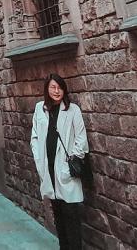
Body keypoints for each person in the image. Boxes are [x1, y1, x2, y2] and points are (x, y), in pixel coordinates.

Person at [30, 74, 88, 250]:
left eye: (60, 87)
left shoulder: (73, 110)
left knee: (71, 216)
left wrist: (70, 162)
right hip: (48, 169)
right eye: (53, 87)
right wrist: (38, 157)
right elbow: (34, 136)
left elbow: (81, 139)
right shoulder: (40, 108)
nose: (57, 91)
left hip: (65, 170)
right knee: (58, 216)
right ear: (47, 89)